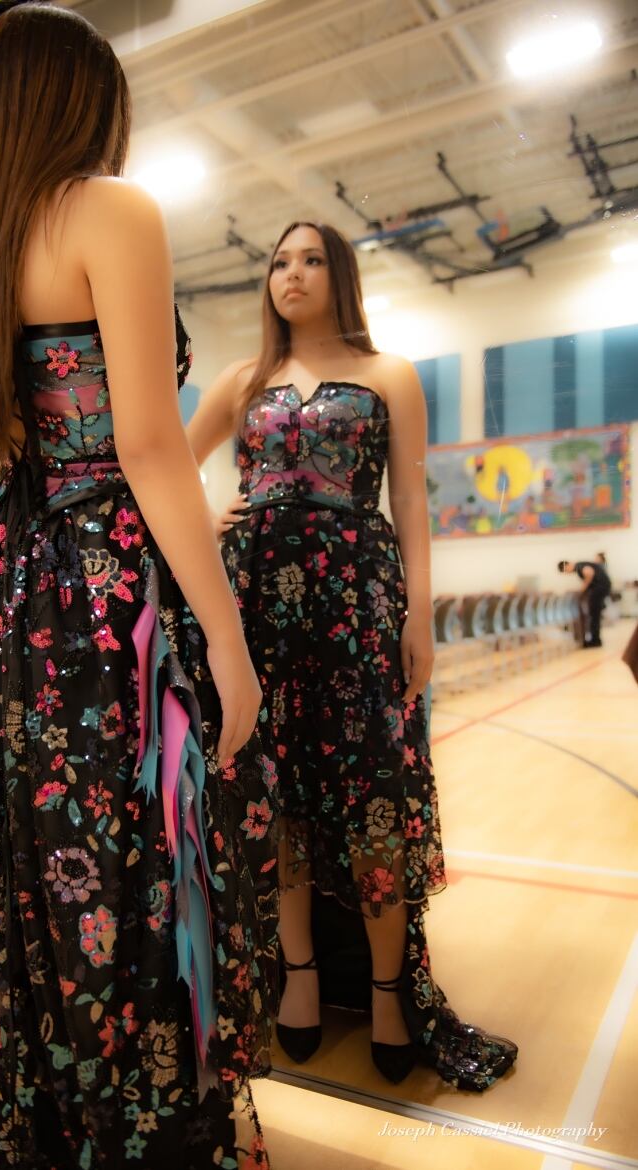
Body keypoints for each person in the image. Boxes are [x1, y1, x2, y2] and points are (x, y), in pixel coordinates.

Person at [0, 6, 280, 1168]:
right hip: (111, 591)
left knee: (46, 857)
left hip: (16, 584)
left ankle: (59, 1113)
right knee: (146, 846)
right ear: (90, 102)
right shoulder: (112, 209)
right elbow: (149, 447)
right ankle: (142, 1124)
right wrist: (230, 645)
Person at [185, 220, 518, 1091]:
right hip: (257, 602)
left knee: (372, 790)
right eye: (278, 259)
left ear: (341, 276)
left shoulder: (388, 375)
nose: (290, 274)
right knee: (276, 786)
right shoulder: (240, 381)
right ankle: (297, 978)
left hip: (356, 600)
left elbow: (410, 496)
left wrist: (418, 613)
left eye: (310, 259)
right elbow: (167, 467)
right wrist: (208, 516)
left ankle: (385, 987)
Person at [558, 558, 612, 647]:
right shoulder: (580, 566)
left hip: (599, 589)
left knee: (594, 615)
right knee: (594, 615)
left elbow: (589, 573)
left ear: (567, 566)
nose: (567, 573)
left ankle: (595, 640)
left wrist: (582, 590)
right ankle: (595, 639)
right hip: (602, 588)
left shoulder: (579, 566)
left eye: (566, 571)